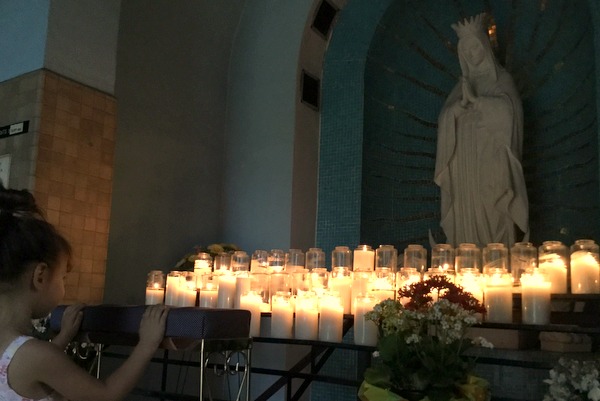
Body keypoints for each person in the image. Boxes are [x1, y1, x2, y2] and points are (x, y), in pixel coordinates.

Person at [0, 184, 169, 401]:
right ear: (40, 276)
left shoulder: (25, 353)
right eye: (62, 277)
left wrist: (63, 338)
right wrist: (147, 344)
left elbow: (30, 369)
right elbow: (105, 394)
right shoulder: (38, 355)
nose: (63, 285)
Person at [434, 13, 529, 248]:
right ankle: (465, 256)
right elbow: (445, 119)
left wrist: (479, 103)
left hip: (491, 159)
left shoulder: (501, 80)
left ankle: (497, 259)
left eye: (475, 48)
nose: (472, 54)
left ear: (484, 47)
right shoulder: (460, 86)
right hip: (464, 162)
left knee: (492, 204)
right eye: (466, 51)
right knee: (467, 206)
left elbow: (511, 114)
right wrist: (456, 109)